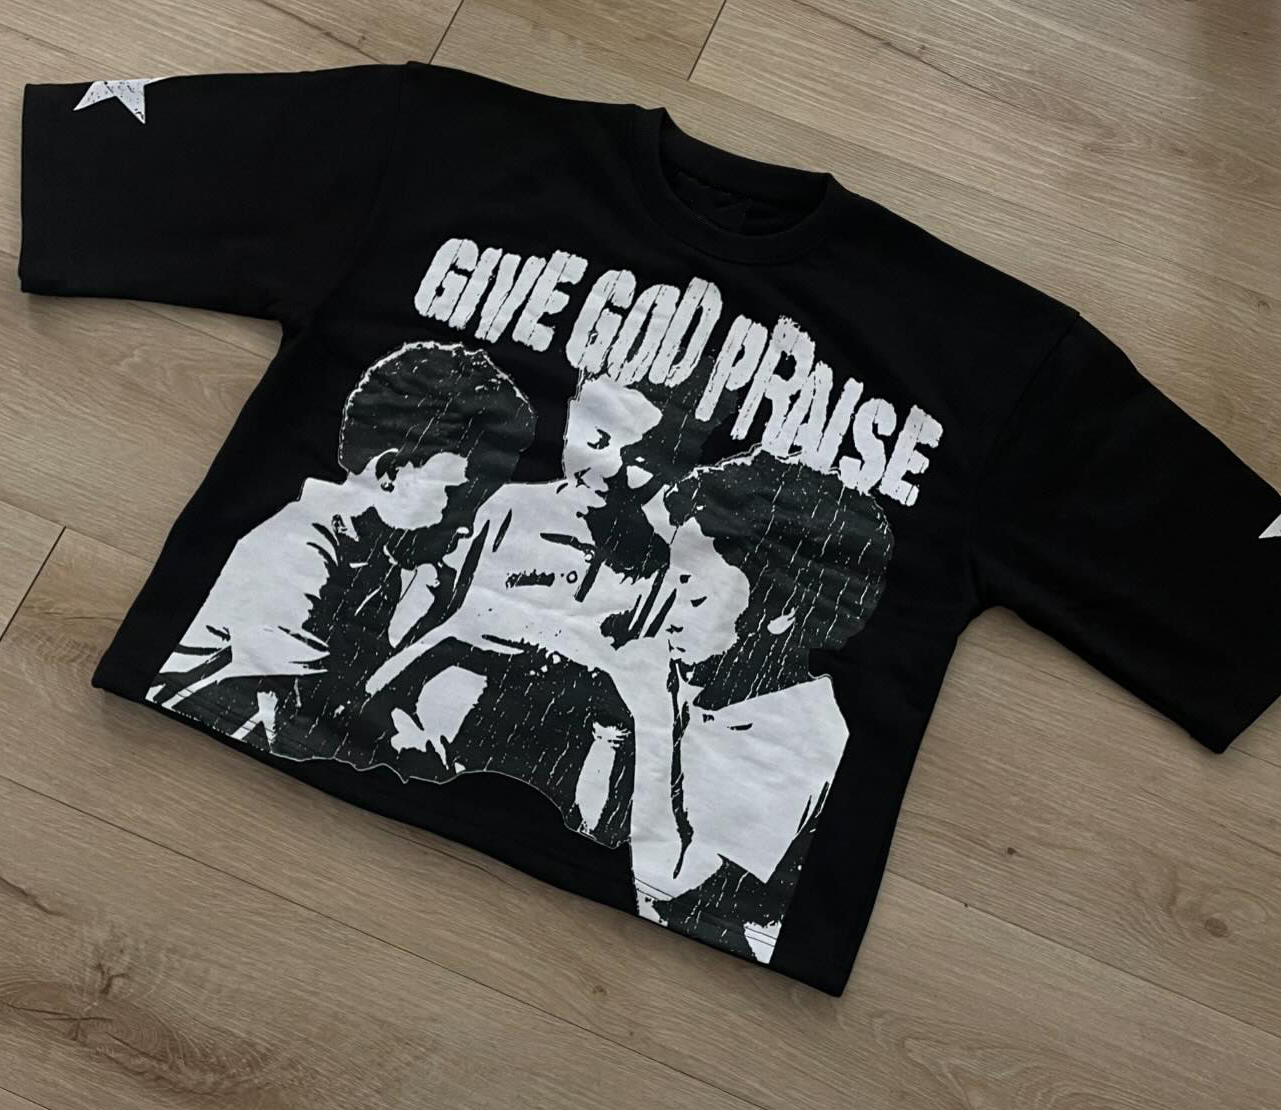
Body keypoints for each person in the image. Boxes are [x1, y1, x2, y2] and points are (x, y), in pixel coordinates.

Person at [148, 341, 535, 765]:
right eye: (460, 498)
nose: (467, 524)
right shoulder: (299, 548)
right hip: (191, 747)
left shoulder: (381, 565)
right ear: (390, 473)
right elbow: (305, 711)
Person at [361, 368, 707, 841]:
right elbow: (418, 619)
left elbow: (645, 694)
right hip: (430, 749)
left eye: (640, 458)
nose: (610, 468)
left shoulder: (663, 567)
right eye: (598, 440)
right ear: (572, 420)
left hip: (565, 776)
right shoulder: (501, 508)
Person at [630, 449, 894, 963]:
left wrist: (649, 714)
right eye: (673, 580)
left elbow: (666, 886)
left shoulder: (801, 739)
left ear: (782, 612)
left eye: (696, 596)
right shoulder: (705, 690)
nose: (669, 614)